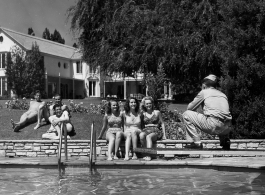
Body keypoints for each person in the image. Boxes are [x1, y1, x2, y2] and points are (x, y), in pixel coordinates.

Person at [182, 74, 232, 150]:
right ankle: (225, 141)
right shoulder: (223, 95)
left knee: (186, 114)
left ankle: (197, 143)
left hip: (213, 125)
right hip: (227, 127)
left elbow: (190, 108)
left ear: (204, 85)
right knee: (221, 115)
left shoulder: (204, 92)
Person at [141, 96, 167, 161]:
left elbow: (162, 123)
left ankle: (149, 155)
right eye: (147, 104)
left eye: (150, 103)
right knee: (141, 135)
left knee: (148, 137)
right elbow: (141, 125)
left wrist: (164, 135)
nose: (148, 105)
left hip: (155, 130)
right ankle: (144, 153)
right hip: (146, 130)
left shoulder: (157, 112)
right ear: (144, 105)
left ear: (152, 104)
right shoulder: (143, 114)